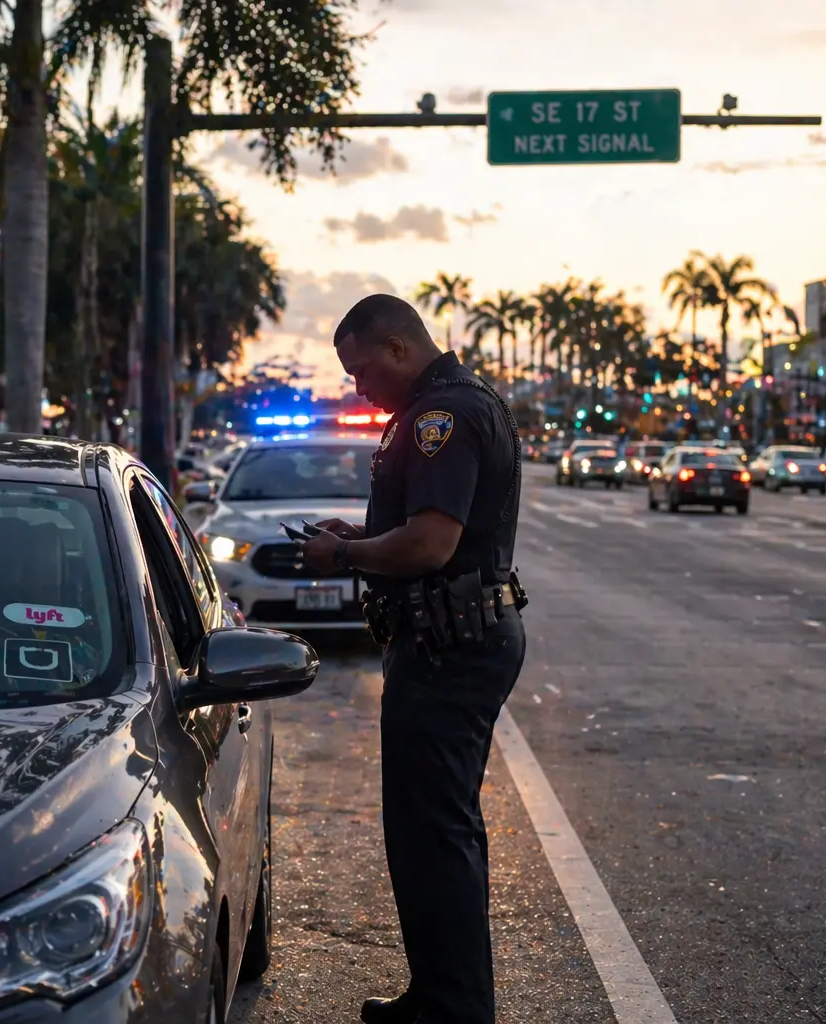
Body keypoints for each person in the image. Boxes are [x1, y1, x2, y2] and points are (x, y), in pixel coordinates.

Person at [301, 293, 528, 1024]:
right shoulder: (446, 407)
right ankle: (441, 997)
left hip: (449, 647)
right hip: (448, 639)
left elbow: (431, 542)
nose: (358, 387)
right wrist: (361, 536)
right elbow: (417, 530)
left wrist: (343, 552)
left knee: (434, 833)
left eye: (362, 370)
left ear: (399, 347)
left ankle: (453, 1011)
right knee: (432, 830)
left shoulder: (443, 417)